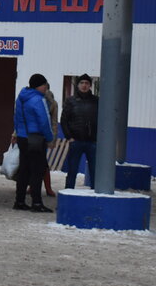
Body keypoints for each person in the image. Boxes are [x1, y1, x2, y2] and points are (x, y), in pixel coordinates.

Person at [13, 73, 55, 212]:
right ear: (39, 86)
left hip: (22, 138)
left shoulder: (21, 98)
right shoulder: (38, 99)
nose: (45, 88)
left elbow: (16, 118)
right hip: (36, 139)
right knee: (38, 170)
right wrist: (49, 138)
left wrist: (19, 133)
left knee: (24, 170)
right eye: (44, 85)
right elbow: (44, 121)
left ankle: (19, 201)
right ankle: (36, 203)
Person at [61, 73, 98, 190]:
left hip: (92, 142)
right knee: (72, 170)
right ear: (77, 85)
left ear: (90, 86)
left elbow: (103, 119)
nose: (84, 85)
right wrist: (69, 137)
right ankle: (69, 192)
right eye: (81, 83)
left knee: (95, 171)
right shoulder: (71, 101)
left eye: (87, 83)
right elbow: (64, 120)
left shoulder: (96, 101)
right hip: (75, 141)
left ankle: (96, 194)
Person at [43, 87, 60, 197]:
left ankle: (48, 187)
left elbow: (54, 122)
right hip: (29, 135)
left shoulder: (52, 103)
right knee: (30, 163)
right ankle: (30, 186)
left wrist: (52, 139)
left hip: (44, 136)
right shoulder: (31, 99)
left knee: (43, 163)